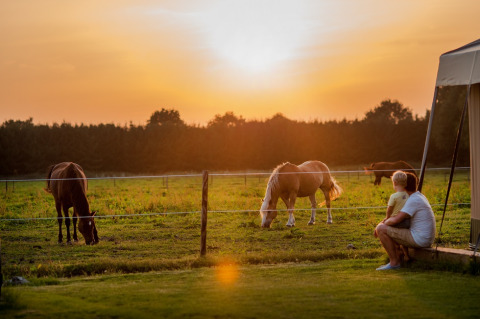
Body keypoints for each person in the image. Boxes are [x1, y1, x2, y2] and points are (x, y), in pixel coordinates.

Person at [374, 172, 436, 270]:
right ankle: (400, 256)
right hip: (424, 238)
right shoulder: (418, 196)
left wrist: (381, 224)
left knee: (381, 229)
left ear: (404, 184)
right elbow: (397, 217)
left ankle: (394, 263)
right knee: (385, 226)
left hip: (419, 239)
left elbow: (396, 220)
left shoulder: (413, 200)